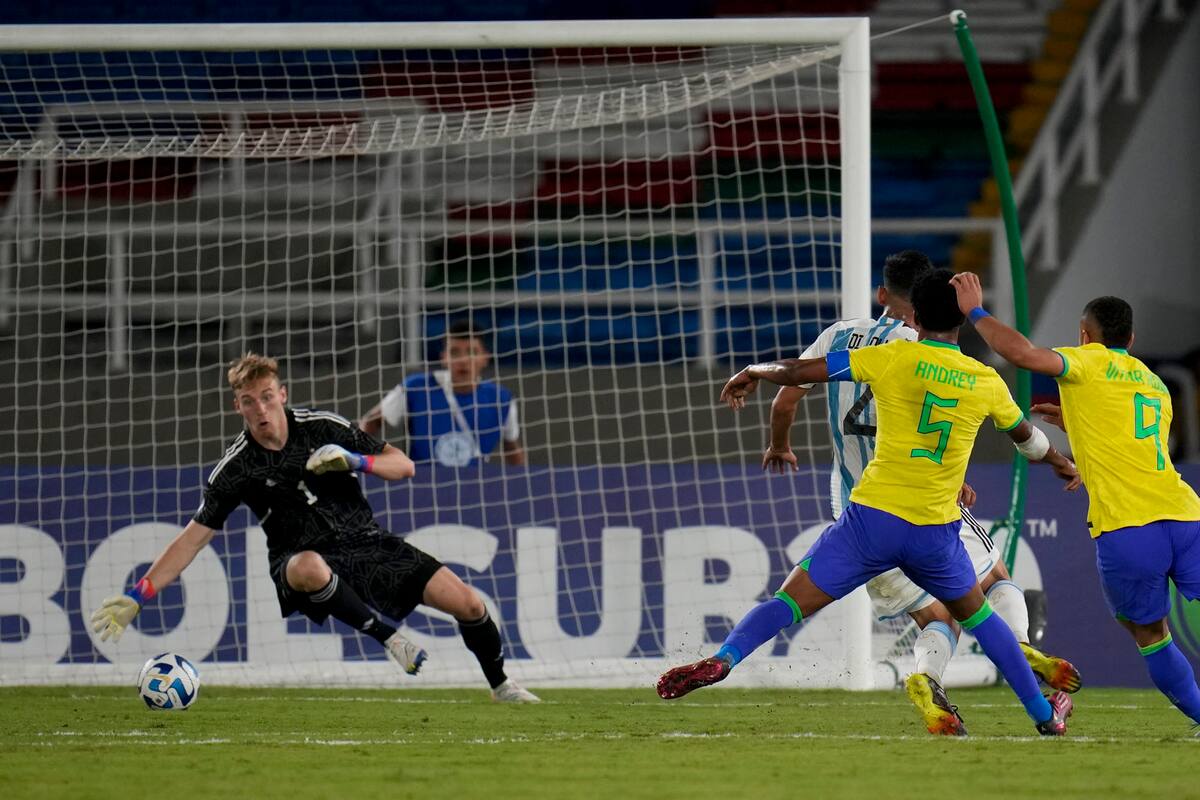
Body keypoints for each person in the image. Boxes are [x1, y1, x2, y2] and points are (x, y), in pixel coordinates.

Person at [657, 269, 1080, 736]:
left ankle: (723, 659)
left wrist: (752, 370)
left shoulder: (890, 357)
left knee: (787, 603)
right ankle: (1044, 716)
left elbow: (797, 374)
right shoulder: (985, 381)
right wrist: (1060, 461)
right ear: (960, 316)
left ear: (913, 317)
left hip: (869, 523)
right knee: (981, 619)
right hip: (934, 533)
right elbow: (1028, 440)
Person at [90, 353, 539, 703]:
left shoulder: (323, 427)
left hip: (368, 543)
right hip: (299, 559)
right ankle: (389, 638)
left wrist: (354, 461)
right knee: (308, 566)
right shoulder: (236, 468)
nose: (261, 408)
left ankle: (502, 685)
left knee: (470, 604)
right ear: (238, 406)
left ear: (282, 395)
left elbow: (403, 466)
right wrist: (139, 595)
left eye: (267, 396)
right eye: (249, 401)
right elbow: (193, 538)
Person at [951, 273, 1200, 729]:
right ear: (1133, 337)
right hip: (1186, 516)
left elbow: (1021, 354)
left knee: (1151, 634)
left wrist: (975, 311)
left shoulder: (1088, 361)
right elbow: (1139, 447)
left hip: (1130, 527)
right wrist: (1078, 424)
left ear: (1086, 336)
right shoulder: (1155, 385)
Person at [360, 321, 525, 467]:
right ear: (444, 358)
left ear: (485, 358)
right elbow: (370, 422)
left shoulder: (501, 398)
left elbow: (511, 448)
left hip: (477, 490)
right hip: (421, 487)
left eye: (472, 352)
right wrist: (361, 463)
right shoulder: (416, 387)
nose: (463, 360)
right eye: (454, 352)